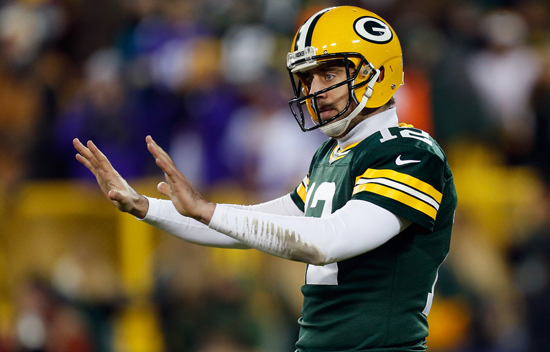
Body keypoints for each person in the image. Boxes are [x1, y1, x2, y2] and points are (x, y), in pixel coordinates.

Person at [74, 6, 457, 351]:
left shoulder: (410, 153)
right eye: (308, 78)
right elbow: (252, 225)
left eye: (329, 73)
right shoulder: (333, 153)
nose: (316, 91)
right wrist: (145, 207)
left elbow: (327, 241)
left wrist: (208, 211)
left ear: (379, 73)